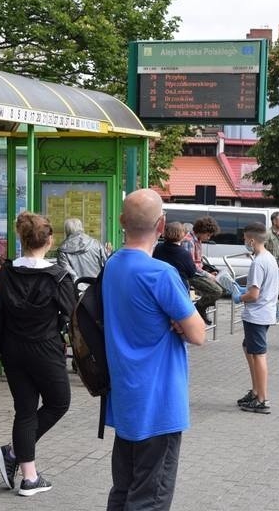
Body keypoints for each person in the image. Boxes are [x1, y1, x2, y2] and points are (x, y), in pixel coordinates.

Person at [103, 189, 206, 510]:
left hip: (126, 398)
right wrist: (177, 319)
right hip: (159, 402)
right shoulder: (160, 274)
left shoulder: (113, 265)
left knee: (124, 490)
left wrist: (175, 320)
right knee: (150, 497)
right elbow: (198, 333)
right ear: (161, 225)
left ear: (122, 221)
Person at [0, 212, 76, 497]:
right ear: (50, 240)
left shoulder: (7, 271)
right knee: (59, 402)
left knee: (25, 409)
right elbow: (71, 313)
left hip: (12, 348)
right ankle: (16, 453)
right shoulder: (59, 276)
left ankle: (29, 476)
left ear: (22, 238)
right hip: (45, 348)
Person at [231, 222, 279, 414]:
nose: (244, 242)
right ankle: (256, 391)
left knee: (258, 355)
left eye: (244, 239)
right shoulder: (269, 258)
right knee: (248, 348)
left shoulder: (259, 262)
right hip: (264, 312)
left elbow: (254, 295)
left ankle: (262, 399)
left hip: (257, 313)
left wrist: (239, 296)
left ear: (251, 240)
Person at [181, 216, 224, 325]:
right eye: (208, 235)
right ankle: (198, 308)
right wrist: (207, 275)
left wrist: (209, 272)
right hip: (190, 275)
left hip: (197, 272)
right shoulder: (188, 241)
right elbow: (190, 265)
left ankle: (201, 308)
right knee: (216, 291)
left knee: (223, 287)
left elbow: (198, 261)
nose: (209, 238)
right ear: (201, 231)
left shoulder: (197, 240)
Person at [56, 217, 108, 285]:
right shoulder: (96, 244)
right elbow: (106, 265)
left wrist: (81, 287)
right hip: (97, 286)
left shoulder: (62, 250)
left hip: (76, 290)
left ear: (67, 230)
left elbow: (68, 273)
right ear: (81, 227)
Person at [153, 221, 197, 291]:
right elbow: (191, 273)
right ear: (182, 235)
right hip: (179, 288)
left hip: (159, 285)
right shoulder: (185, 254)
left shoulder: (157, 248)